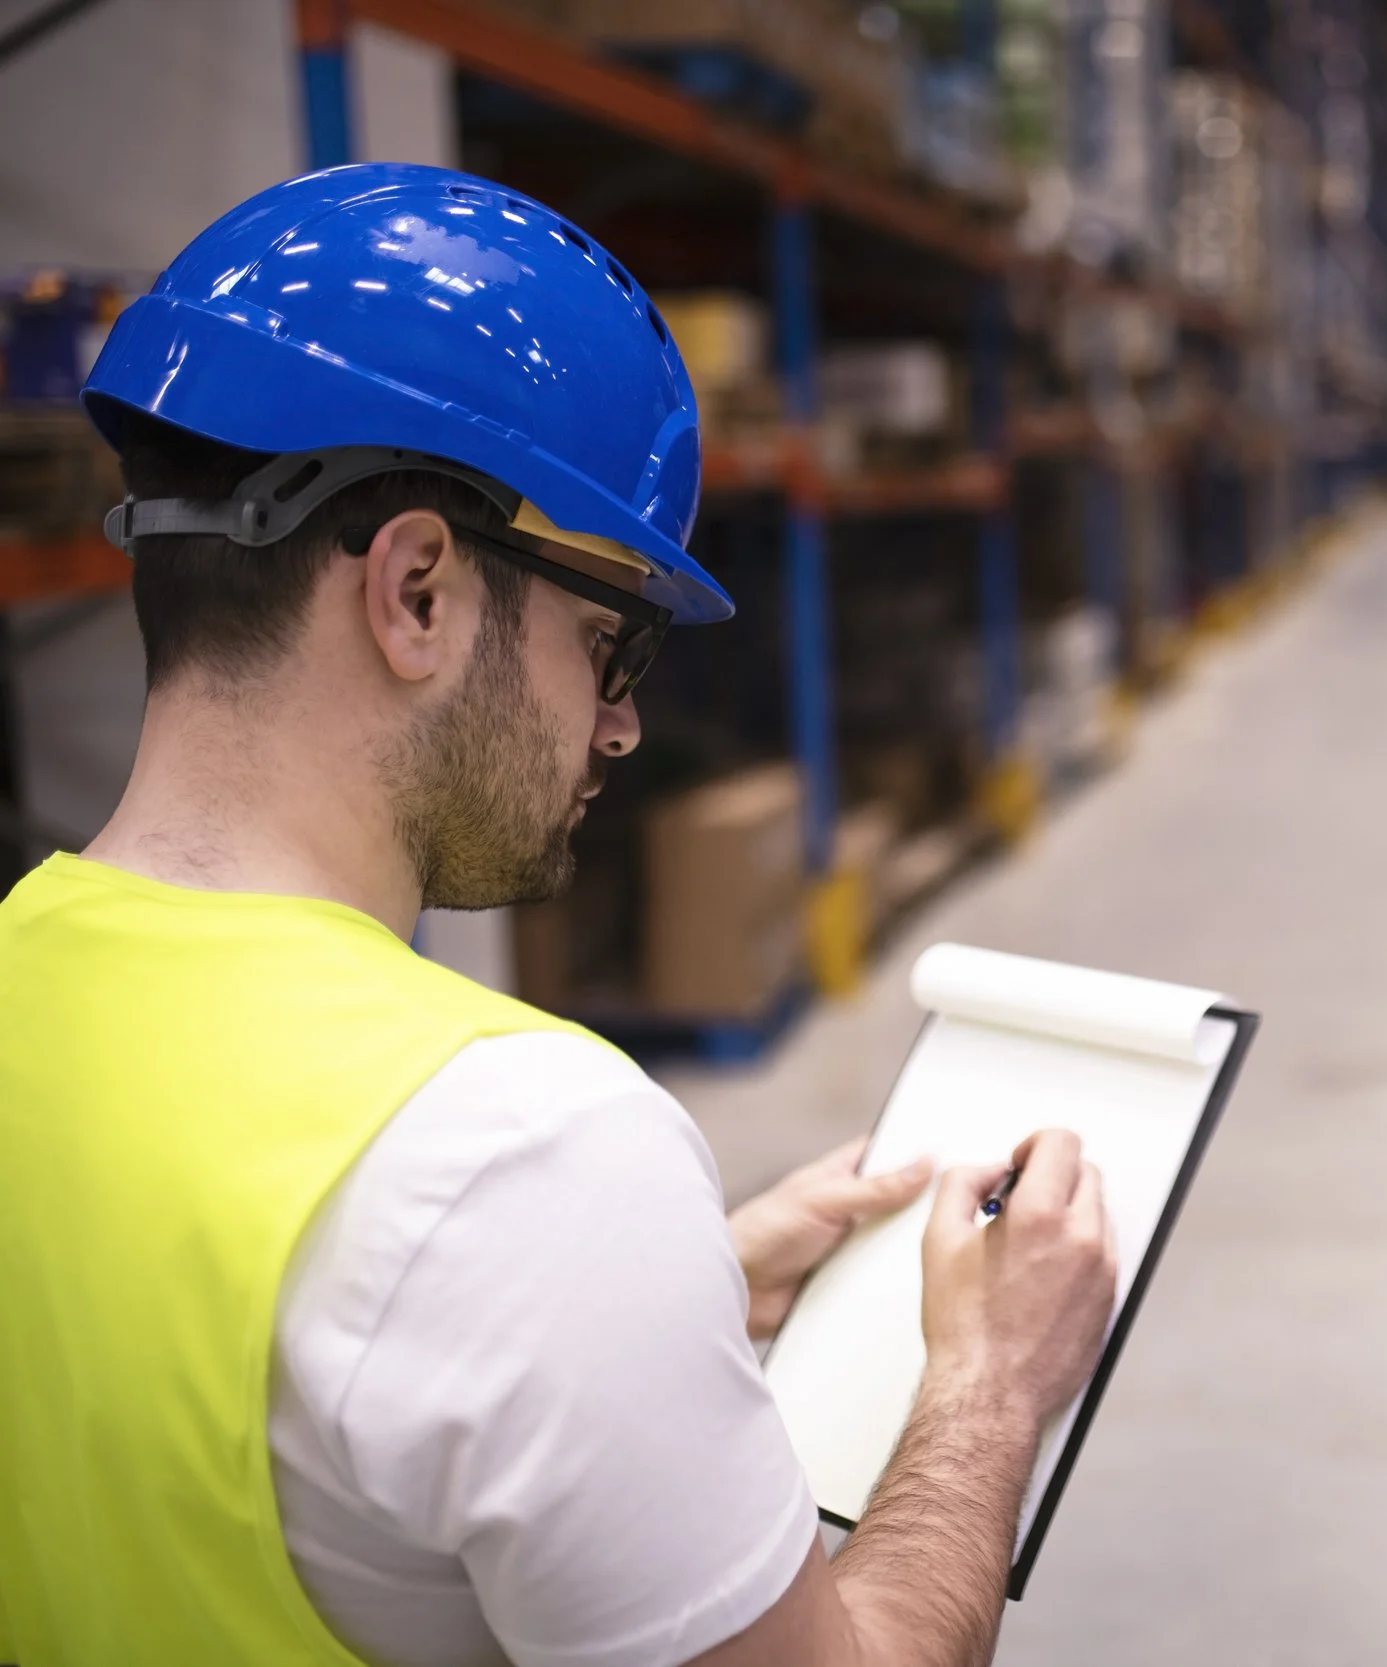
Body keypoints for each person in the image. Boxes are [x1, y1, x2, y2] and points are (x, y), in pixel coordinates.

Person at [0, 163, 1116, 1667]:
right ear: (416, 593)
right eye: (610, 639)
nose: (619, 728)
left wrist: (660, 1294)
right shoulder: (522, 1150)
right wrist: (989, 1382)